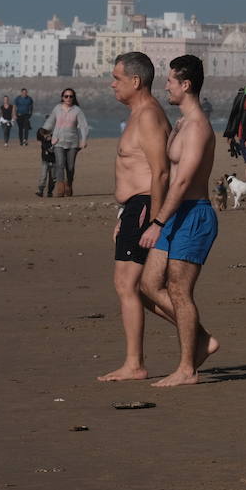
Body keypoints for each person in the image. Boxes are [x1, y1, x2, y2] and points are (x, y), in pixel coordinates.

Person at [138, 55, 220, 388]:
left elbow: (183, 181)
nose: (166, 86)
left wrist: (158, 221)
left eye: (170, 80)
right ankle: (201, 340)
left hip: (194, 214)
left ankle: (187, 368)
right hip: (175, 215)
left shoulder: (198, 126)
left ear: (186, 85)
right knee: (147, 287)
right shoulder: (181, 123)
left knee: (178, 290)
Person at [98, 51, 173, 382]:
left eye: (116, 78)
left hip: (145, 207)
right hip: (135, 209)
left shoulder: (148, 117)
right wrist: (123, 214)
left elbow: (161, 173)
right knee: (138, 288)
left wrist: (155, 222)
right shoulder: (139, 115)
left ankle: (134, 364)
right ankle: (197, 335)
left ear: (135, 81)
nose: (112, 83)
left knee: (128, 285)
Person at [45, 87, 89, 197]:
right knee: (59, 165)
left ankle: (69, 184)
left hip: (72, 143)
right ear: (62, 97)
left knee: (70, 167)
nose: (68, 98)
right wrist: (44, 133)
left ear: (73, 98)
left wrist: (83, 140)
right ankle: (60, 188)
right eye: (66, 96)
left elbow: (83, 126)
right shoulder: (57, 109)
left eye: (70, 96)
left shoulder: (77, 110)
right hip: (58, 141)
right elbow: (50, 121)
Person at [35, 127, 57, 197]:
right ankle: (40, 190)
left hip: (54, 161)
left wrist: (54, 141)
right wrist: (52, 143)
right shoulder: (44, 143)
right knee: (43, 176)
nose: (47, 136)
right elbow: (50, 150)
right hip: (45, 161)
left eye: (47, 134)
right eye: (44, 135)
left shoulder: (54, 139)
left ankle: (50, 192)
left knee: (53, 178)